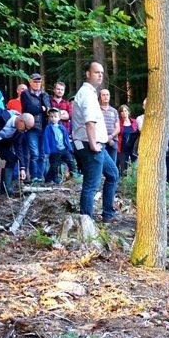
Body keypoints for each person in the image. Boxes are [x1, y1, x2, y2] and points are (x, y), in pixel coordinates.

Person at [72, 61, 119, 221]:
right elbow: (89, 122)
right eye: (96, 72)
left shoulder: (90, 93)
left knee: (112, 174)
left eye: (101, 72)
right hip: (90, 146)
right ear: (87, 74)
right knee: (91, 184)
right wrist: (93, 144)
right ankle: (86, 222)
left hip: (99, 145)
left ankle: (108, 214)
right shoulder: (86, 94)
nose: (100, 75)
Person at [20, 72, 52, 182]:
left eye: (39, 81)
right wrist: (42, 108)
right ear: (30, 82)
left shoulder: (45, 94)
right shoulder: (25, 94)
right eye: (35, 81)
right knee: (34, 154)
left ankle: (40, 177)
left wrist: (45, 108)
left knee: (42, 154)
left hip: (44, 127)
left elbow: (49, 108)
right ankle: (34, 177)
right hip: (31, 127)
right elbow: (28, 109)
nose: (37, 83)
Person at [43, 108, 75, 184]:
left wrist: (69, 147)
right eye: (51, 117)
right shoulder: (48, 128)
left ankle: (74, 174)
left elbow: (66, 138)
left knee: (70, 161)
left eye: (55, 116)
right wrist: (47, 150)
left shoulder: (62, 127)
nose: (53, 118)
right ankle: (50, 178)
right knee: (54, 166)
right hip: (55, 150)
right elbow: (46, 139)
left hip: (64, 148)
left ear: (59, 117)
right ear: (49, 118)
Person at [99, 88, 120, 166]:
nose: (105, 97)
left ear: (110, 96)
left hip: (113, 140)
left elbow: (118, 128)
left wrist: (110, 136)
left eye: (107, 95)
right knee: (101, 164)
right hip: (100, 141)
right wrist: (105, 138)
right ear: (100, 96)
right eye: (103, 95)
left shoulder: (114, 111)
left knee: (112, 165)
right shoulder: (97, 109)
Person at [116, 104, 138, 175]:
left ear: (128, 112)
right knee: (123, 168)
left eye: (125, 111)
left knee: (135, 167)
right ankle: (123, 183)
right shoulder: (118, 123)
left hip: (134, 148)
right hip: (122, 148)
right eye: (122, 112)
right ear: (120, 114)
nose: (124, 113)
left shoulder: (134, 122)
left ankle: (133, 182)